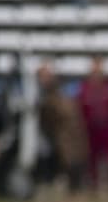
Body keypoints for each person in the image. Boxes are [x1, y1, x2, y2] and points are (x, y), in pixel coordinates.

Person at [37, 62, 88, 193]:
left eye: (47, 75)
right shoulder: (41, 93)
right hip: (50, 133)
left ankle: (74, 187)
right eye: (42, 75)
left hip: (64, 133)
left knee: (71, 159)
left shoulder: (57, 93)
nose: (45, 79)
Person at [78, 58, 108, 194]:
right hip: (91, 130)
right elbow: (81, 108)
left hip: (107, 129)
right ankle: (93, 188)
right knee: (92, 161)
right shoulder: (85, 88)